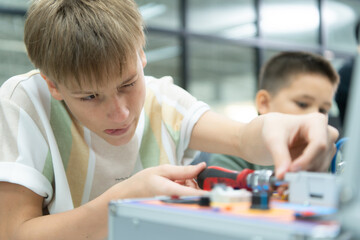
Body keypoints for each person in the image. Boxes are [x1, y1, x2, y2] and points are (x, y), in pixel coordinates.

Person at [0, 1, 338, 239]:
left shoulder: (162, 99)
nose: (121, 113)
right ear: (53, 85)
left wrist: (282, 128)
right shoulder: (24, 103)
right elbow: (14, 233)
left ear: (141, 54)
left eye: (128, 84)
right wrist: (123, 201)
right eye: (89, 96)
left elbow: (241, 138)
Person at [202, 51, 340, 172]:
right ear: (264, 103)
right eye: (302, 104)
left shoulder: (328, 153)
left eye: (323, 110)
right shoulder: (232, 153)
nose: (316, 117)